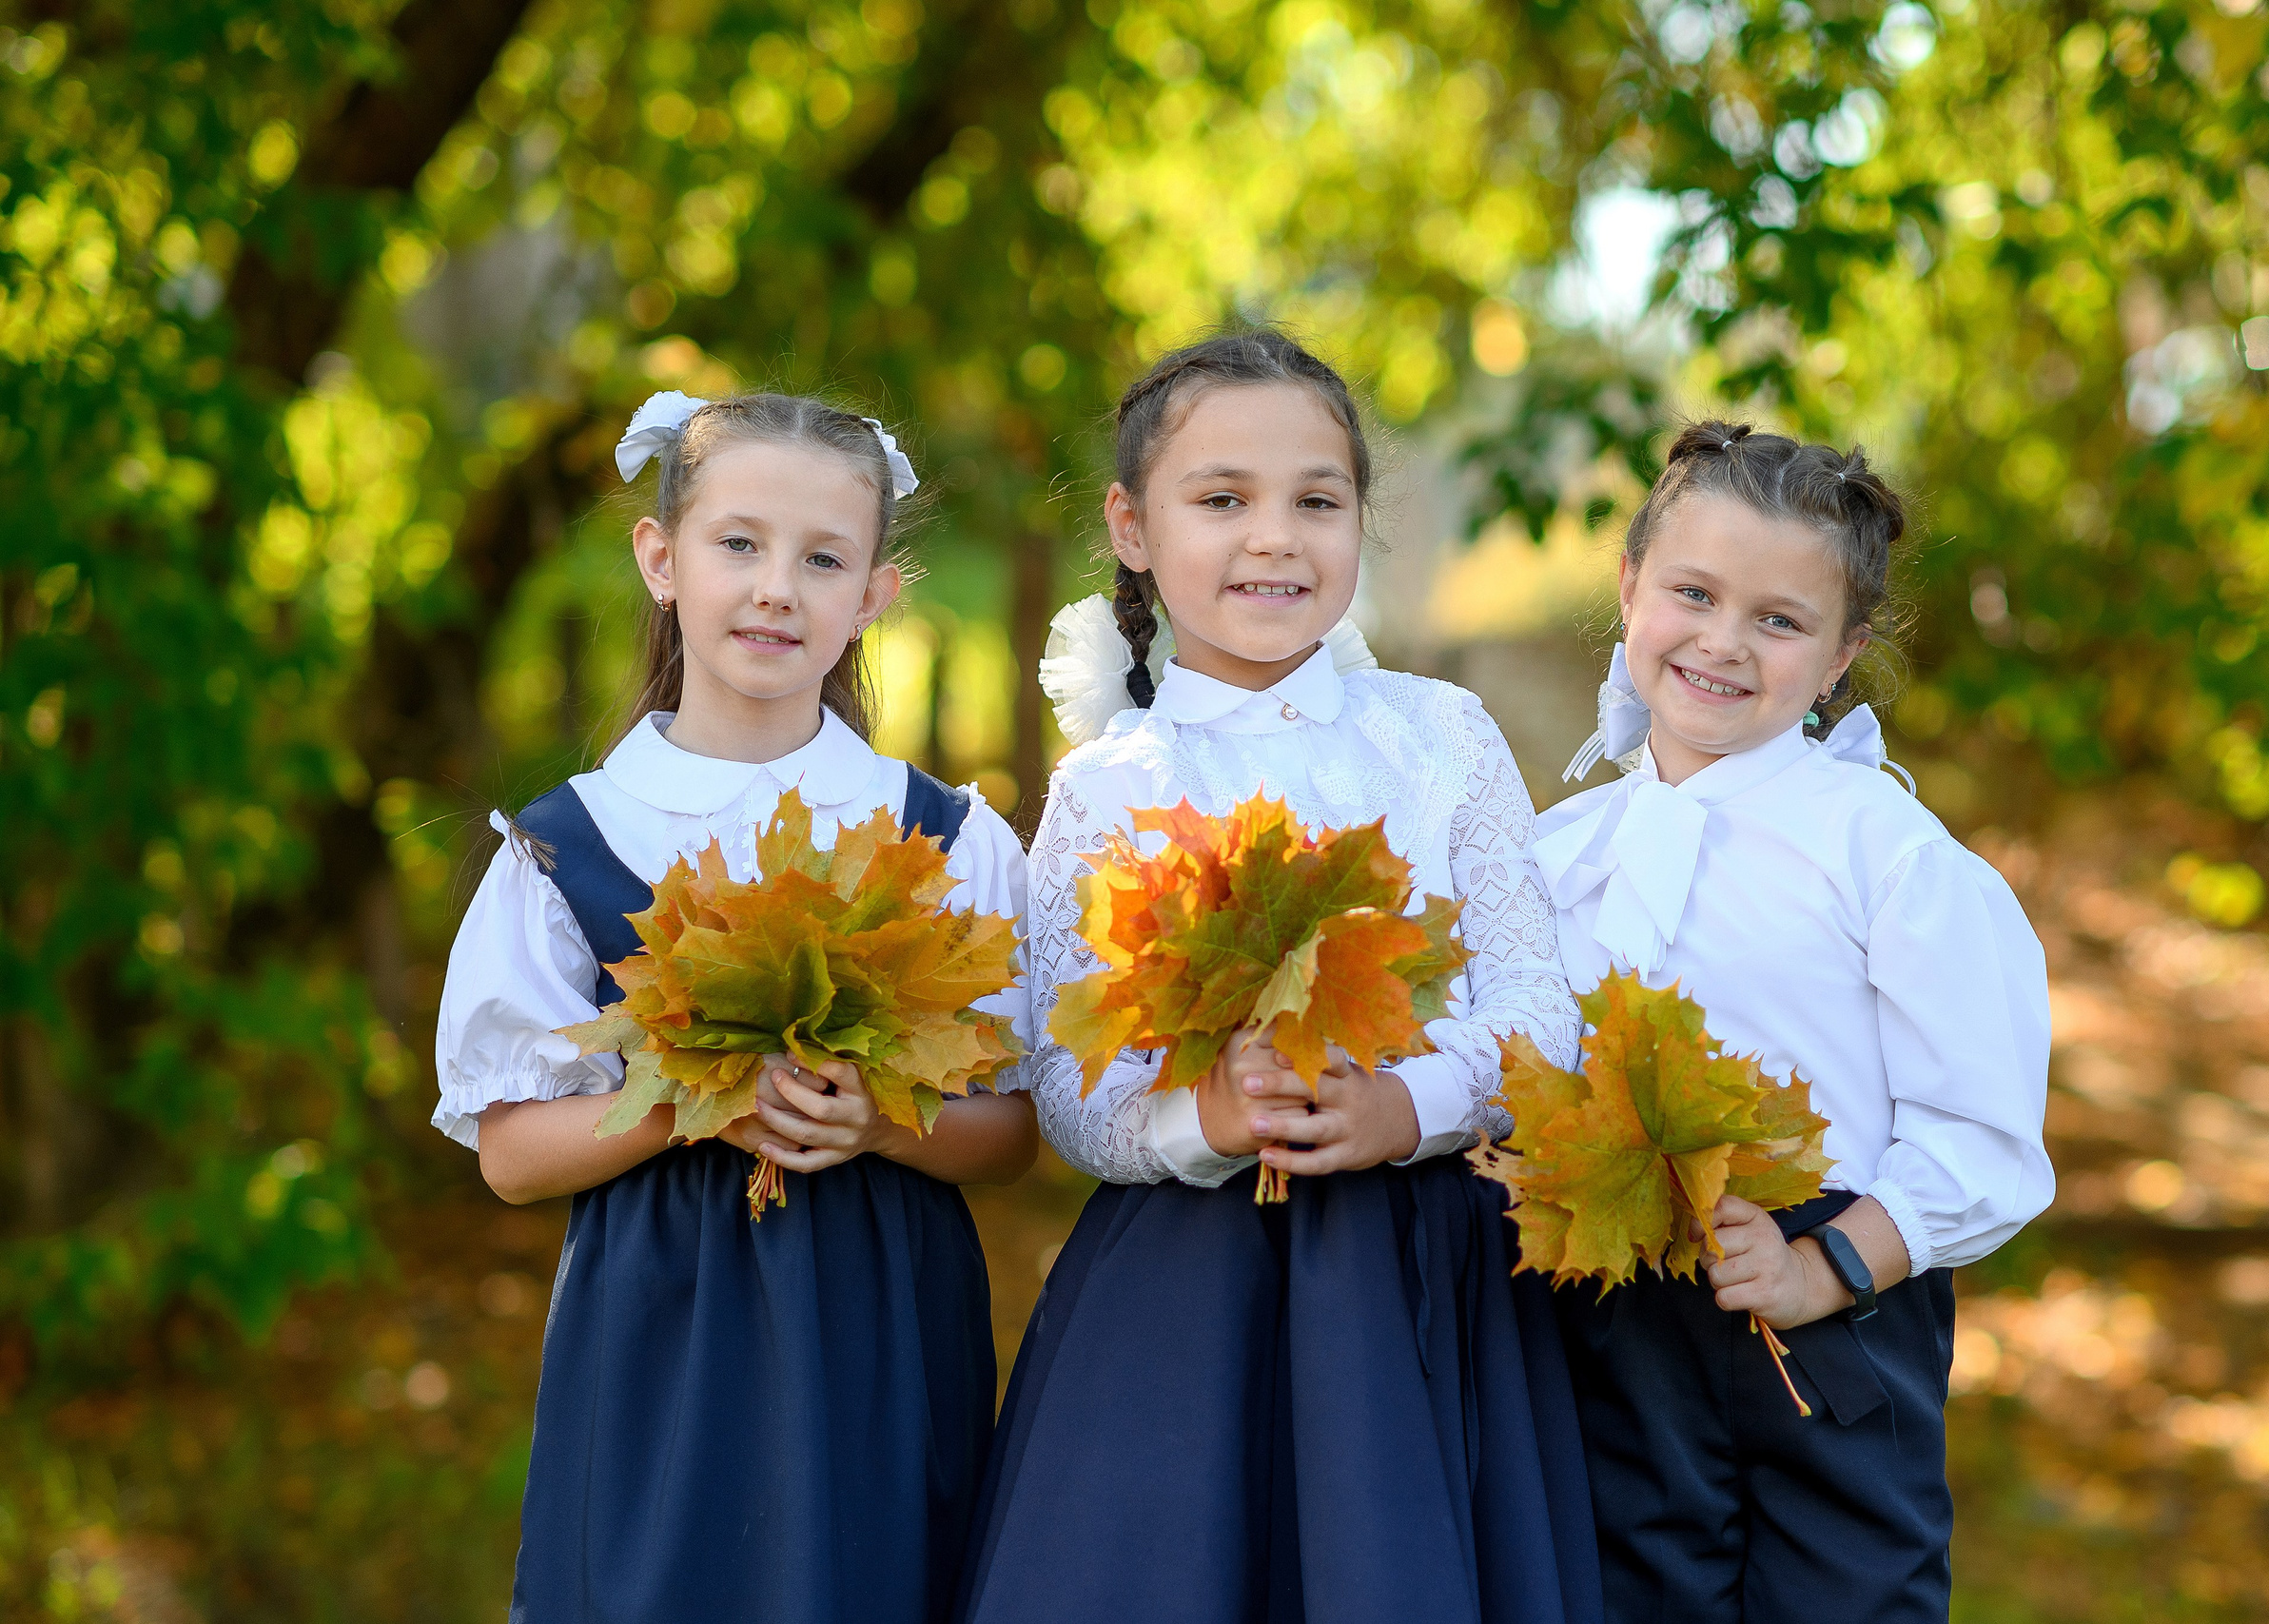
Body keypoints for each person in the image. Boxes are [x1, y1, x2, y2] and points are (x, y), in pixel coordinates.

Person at [959, 329, 1599, 1624]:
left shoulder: (1439, 737)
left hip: (1420, 1279)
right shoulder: (1106, 789)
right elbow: (1077, 1090)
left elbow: (1541, 1009)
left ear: (1361, 519)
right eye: (1222, 499)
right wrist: (1211, 1114)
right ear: (1133, 527)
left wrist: (1405, 1104)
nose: (1275, 537)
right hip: (1184, 1297)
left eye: (1318, 499)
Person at [432, 388, 1037, 1624]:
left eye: (823, 558)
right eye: (739, 543)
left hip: (882, 1322)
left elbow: (1014, 1126)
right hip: (662, 1327)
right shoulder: (567, 848)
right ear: (662, 558)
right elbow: (508, 1149)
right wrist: (688, 1102)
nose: (777, 586)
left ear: (875, 594)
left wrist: (881, 1119)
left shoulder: (947, 837)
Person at [1533, 421, 2053, 1623]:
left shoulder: (1884, 851)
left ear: (1840, 655)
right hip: (1609, 1308)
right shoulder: (1557, 855)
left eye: (1777, 620)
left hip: (1828, 1315)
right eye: (1693, 594)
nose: (1722, 641)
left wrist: (1825, 1264)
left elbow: (1985, 1146)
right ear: (1629, 589)